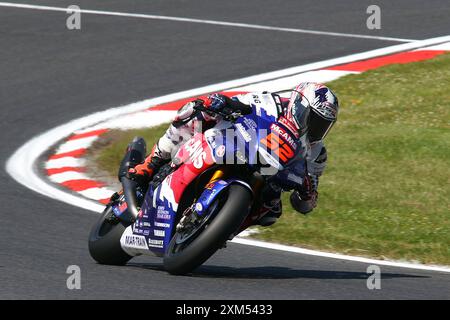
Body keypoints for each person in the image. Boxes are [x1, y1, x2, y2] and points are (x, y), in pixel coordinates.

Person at [128, 82, 339, 226]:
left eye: (323, 125)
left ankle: (221, 229)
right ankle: (150, 162)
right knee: (195, 112)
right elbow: (234, 102)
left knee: (271, 213)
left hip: (268, 177)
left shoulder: (316, 153)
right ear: (299, 107)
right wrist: (222, 103)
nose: (316, 129)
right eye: (314, 120)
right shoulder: (272, 104)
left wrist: (308, 193)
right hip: (235, 146)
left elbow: (304, 204)